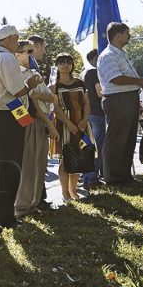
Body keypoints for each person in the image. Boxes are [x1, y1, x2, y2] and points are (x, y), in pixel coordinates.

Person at [0, 25, 42, 233]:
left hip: (1, 115)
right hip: (7, 115)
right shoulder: (7, 58)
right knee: (9, 169)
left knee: (3, 168)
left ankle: (4, 217)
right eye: (17, 39)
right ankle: (2, 220)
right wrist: (32, 82)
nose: (18, 43)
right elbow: (17, 90)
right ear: (10, 39)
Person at [97, 23, 143, 186]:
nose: (129, 35)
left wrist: (139, 84)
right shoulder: (108, 55)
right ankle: (113, 178)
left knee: (128, 139)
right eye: (127, 33)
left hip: (128, 98)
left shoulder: (120, 54)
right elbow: (114, 78)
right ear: (118, 35)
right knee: (117, 139)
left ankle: (124, 176)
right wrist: (140, 81)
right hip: (117, 99)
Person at [14, 39, 58, 218]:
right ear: (17, 54)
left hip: (42, 120)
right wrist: (48, 122)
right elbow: (31, 102)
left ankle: (33, 205)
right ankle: (22, 207)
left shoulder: (34, 73)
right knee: (29, 165)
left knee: (40, 164)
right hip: (31, 120)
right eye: (28, 51)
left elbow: (50, 98)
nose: (32, 55)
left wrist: (38, 93)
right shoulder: (18, 74)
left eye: (32, 51)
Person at [50, 53, 94, 201]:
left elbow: (87, 102)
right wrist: (68, 123)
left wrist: (85, 119)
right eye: (61, 62)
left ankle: (73, 190)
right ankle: (65, 193)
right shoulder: (54, 86)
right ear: (56, 65)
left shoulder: (80, 83)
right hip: (63, 123)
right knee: (65, 159)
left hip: (81, 122)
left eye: (68, 61)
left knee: (79, 157)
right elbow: (55, 107)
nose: (65, 64)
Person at [27, 34, 55, 210]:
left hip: (41, 115)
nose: (44, 51)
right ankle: (34, 201)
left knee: (40, 162)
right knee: (34, 162)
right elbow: (32, 96)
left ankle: (39, 198)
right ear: (36, 46)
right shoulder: (29, 65)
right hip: (34, 117)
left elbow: (49, 97)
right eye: (43, 47)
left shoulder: (34, 65)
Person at [81, 49, 106, 189]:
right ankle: (92, 179)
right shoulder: (94, 72)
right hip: (96, 113)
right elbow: (100, 93)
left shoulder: (83, 72)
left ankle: (86, 178)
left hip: (86, 115)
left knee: (87, 148)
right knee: (96, 148)